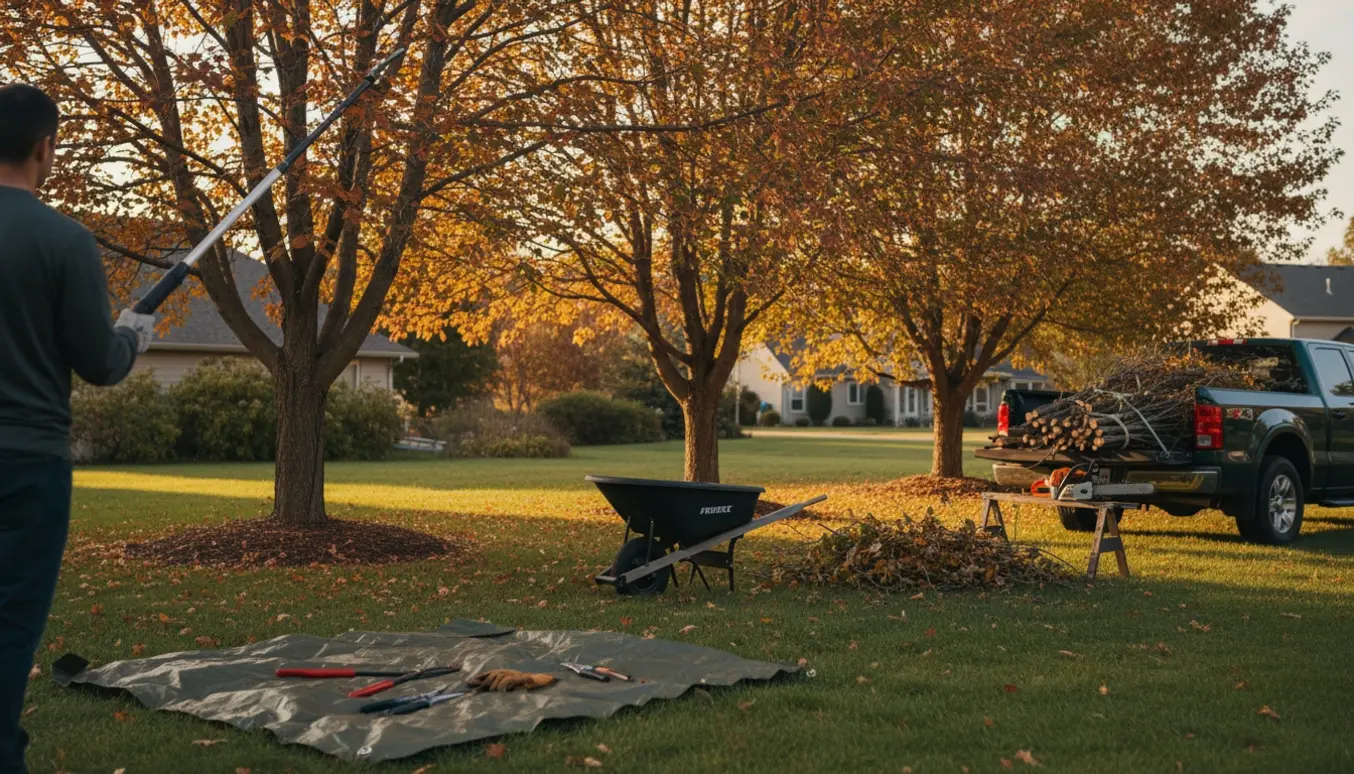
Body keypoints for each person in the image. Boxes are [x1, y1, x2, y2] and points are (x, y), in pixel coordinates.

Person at [0, 84, 156, 774]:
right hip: (27, 467)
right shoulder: (63, 240)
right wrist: (131, 336)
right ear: (44, 149)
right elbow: (99, 363)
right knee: (7, 632)